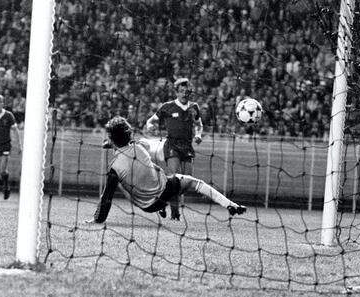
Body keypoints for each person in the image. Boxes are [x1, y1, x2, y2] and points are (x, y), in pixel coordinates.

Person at [89, 116, 245, 224]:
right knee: (194, 183)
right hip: (166, 190)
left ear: (111, 138)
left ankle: (160, 205)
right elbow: (141, 144)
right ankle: (230, 205)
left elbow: (106, 197)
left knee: (120, 183)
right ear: (128, 135)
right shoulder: (140, 147)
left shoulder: (115, 166)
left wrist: (97, 220)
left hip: (147, 206)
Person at [144, 77, 204, 220]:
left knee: (187, 182)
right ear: (176, 92)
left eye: (186, 91)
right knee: (175, 179)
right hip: (172, 146)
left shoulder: (194, 107)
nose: (184, 94)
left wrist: (199, 135)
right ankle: (175, 215)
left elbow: (199, 124)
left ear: (190, 92)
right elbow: (150, 120)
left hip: (187, 146)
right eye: (181, 91)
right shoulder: (167, 106)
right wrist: (150, 126)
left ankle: (162, 199)